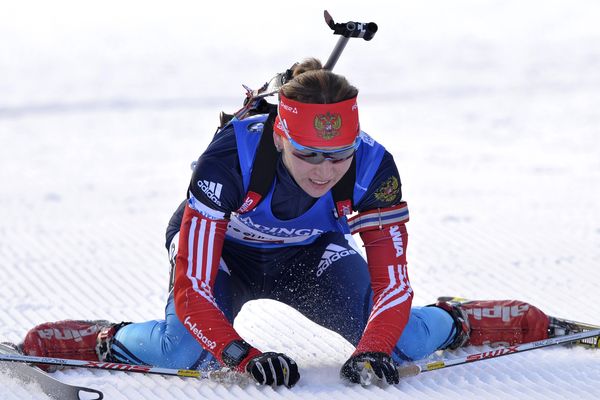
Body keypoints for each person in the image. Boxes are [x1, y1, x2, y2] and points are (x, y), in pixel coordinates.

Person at [18, 59, 557, 388]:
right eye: (309, 156)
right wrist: (242, 356)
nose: (325, 171)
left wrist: (371, 350)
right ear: (280, 137)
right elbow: (193, 287)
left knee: (401, 343)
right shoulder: (231, 158)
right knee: (185, 350)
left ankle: (460, 320)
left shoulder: (374, 165)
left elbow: (394, 282)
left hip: (310, 258)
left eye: (338, 154)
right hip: (224, 258)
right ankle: (101, 340)